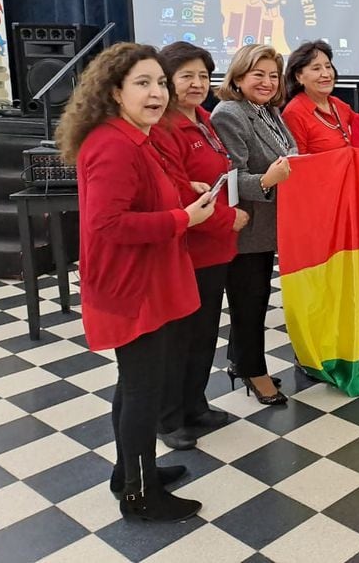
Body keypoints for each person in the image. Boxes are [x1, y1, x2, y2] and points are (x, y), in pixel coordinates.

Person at [55, 43, 213, 522]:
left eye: (160, 83)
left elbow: (149, 192)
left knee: (136, 383)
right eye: (142, 83)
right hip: (131, 286)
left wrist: (186, 195)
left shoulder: (132, 136)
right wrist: (180, 218)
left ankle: (129, 472)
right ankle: (140, 496)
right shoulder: (112, 144)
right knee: (144, 388)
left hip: (143, 279)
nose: (157, 93)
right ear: (114, 91)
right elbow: (108, 224)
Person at [149, 42, 249, 450]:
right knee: (179, 338)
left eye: (204, 76)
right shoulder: (164, 128)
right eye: (186, 76)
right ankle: (168, 418)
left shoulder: (206, 120)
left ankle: (195, 405)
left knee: (205, 332)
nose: (196, 84)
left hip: (216, 248)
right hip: (190, 247)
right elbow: (176, 193)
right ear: (168, 81)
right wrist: (230, 220)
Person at [212, 44, 295, 406]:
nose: (266, 81)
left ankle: (240, 361)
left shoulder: (268, 111)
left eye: (273, 75)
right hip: (246, 227)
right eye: (257, 74)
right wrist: (268, 179)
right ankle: (253, 371)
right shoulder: (229, 114)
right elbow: (231, 177)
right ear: (239, 76)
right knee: (249, 302)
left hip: (268, 225)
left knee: (257, 298)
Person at [281, 39, 354, 154]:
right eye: (316, 68)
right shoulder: (294, 113)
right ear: (299, 77)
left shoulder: (338, 105)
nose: (326, 74)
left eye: (328, 66)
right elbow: (299, 162)